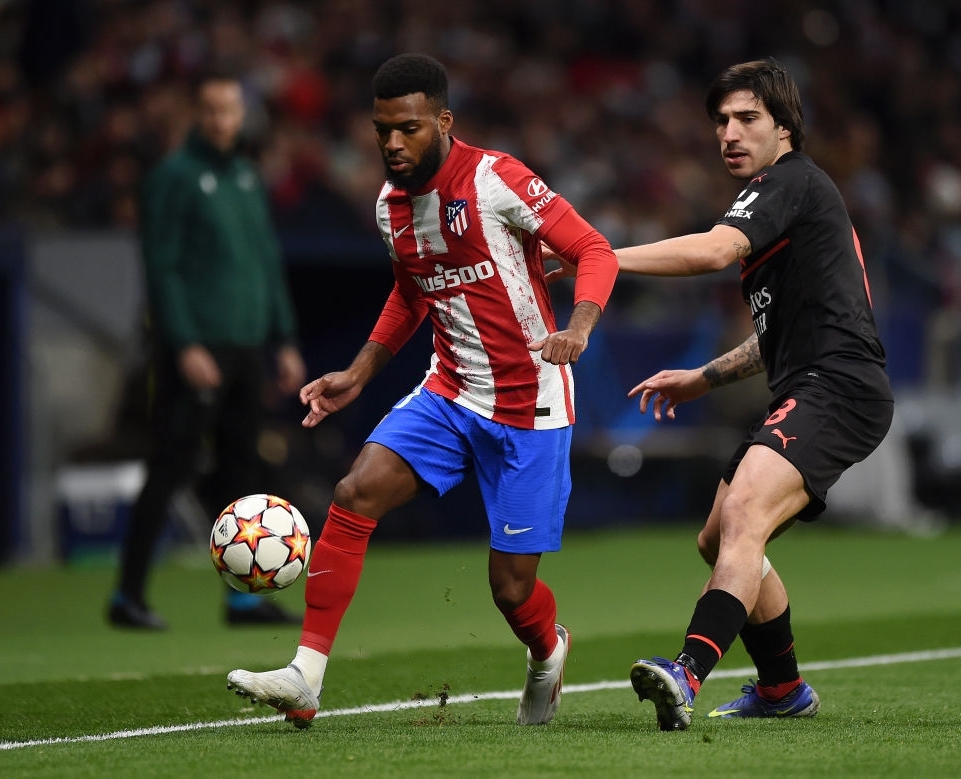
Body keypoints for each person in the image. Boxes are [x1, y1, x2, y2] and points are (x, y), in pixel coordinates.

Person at [224, 53, 617, 728]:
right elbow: (411, 290)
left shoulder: (497, 178)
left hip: (531, 403)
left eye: (407, 128)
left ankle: (548, 652)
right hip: (451, 391)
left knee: (511, 591)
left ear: (442, 121)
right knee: (354, 493)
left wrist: (578, 326)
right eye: (381, 130)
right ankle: (305, 676)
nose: (392, 144)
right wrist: (359, 371)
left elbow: (595, 249)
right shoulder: (388, 205)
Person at [611, 58, 893, 730]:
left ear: (785, 127)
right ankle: (782, 689)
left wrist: (604, 257)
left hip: (839, 384)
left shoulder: (786, 183)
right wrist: (701, 377)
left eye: (746, 119)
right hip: (810, 382)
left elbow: (711, 252)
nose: (728, 133)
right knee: (719, 538)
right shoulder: (789, 202)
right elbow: (777, 337)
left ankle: (686, 672)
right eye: (721, 121)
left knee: (742, 516)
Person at [108, 71, 307, 630]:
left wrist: (284, 337)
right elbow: (161, 266)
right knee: (170, 465)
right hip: (196, 347)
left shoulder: (245, 176)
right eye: (212, 110)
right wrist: (183, 341)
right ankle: (127, 596)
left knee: (242, 465)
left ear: (242, 114)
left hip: (245, 345)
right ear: (196, 114)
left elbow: (266, 263)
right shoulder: (173, 177)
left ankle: (243, 598)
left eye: (231, 109)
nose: (223, 120)